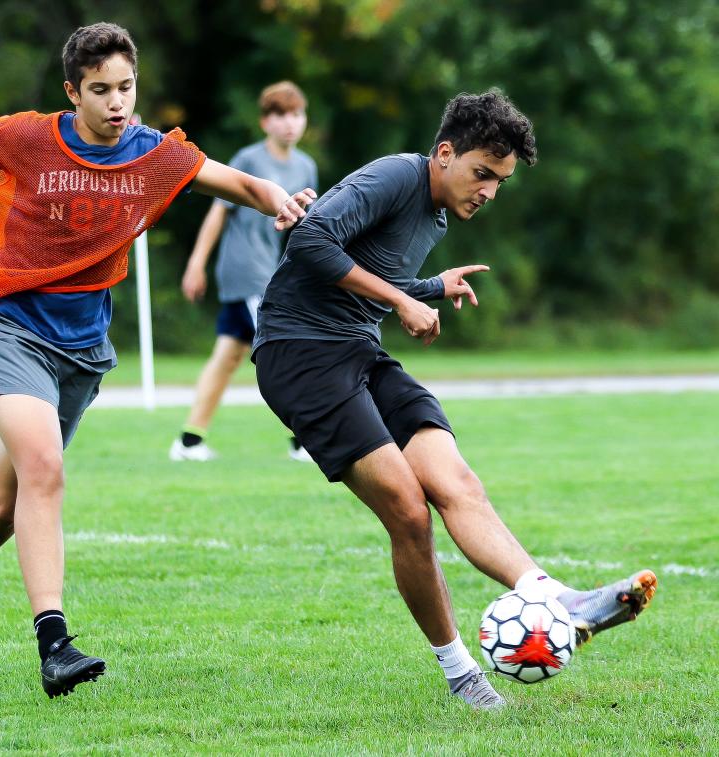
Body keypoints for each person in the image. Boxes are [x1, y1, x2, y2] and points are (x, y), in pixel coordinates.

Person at [0, 22, 315, 699]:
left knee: (4, 509)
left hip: (82, 349)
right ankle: (54, 642)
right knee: (46, 468)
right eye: (100, 90)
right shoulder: (31, 138)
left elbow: (239, 183)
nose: (117, 102)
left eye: (126, 88)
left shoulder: (153, 154)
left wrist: (280, 202)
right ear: (72, 91)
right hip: (7, 324)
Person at [251, 90, 657, 709]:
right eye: (482, 174)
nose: (489, 192)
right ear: (444, 153)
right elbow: (309, 241)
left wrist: (429, 287)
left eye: (500, 182)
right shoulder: (395, 175)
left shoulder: (438, 217)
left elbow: (367, 272)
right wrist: (402, 300)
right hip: (299, 353)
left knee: (457, 483)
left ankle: (556, 598)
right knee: (409, 513)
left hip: (359, 350)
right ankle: (462, 673)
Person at [170, 81, 318, 463]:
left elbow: (304, 226)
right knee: (285, 348)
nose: (290, 123)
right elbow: (218, 211)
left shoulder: (306, 166)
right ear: (265, 121)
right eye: (281, 115)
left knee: (227, 357)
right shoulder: (249, 160)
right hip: (246, 272)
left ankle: (188, 441)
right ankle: (305, 440)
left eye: (297, 114)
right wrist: (195, 264)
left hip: (271, 271)